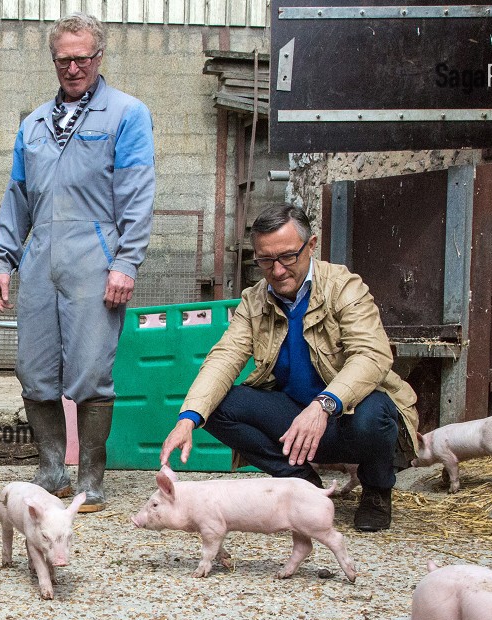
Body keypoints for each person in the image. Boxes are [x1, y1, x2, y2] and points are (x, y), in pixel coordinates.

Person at [157, 204, 419, 531]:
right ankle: (301, 482)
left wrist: (324, 404)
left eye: (287, 257)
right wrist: (188, 418)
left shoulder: (343, 286)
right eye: (265, 261)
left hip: (344, 415)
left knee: (377, 412)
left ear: (311, 246)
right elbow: (224, 357)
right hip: (293, 415)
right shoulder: (255, 300)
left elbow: (372, 355)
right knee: (218, 408)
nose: (277, 270)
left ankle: (377, 490)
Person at [0, 13, 156, 513]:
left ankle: (91, 477)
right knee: (34, 369)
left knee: (89, 371)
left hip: (96, 256)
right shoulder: (34, 124)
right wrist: (5, 259)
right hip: (40, 257)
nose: (74, 67)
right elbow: (17, 196)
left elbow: (137, 193)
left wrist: (126, 262)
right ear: (54, 60)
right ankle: (51, 468)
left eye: (83, 57)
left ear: (99, 58)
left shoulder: (126, 114)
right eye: (64, 58)